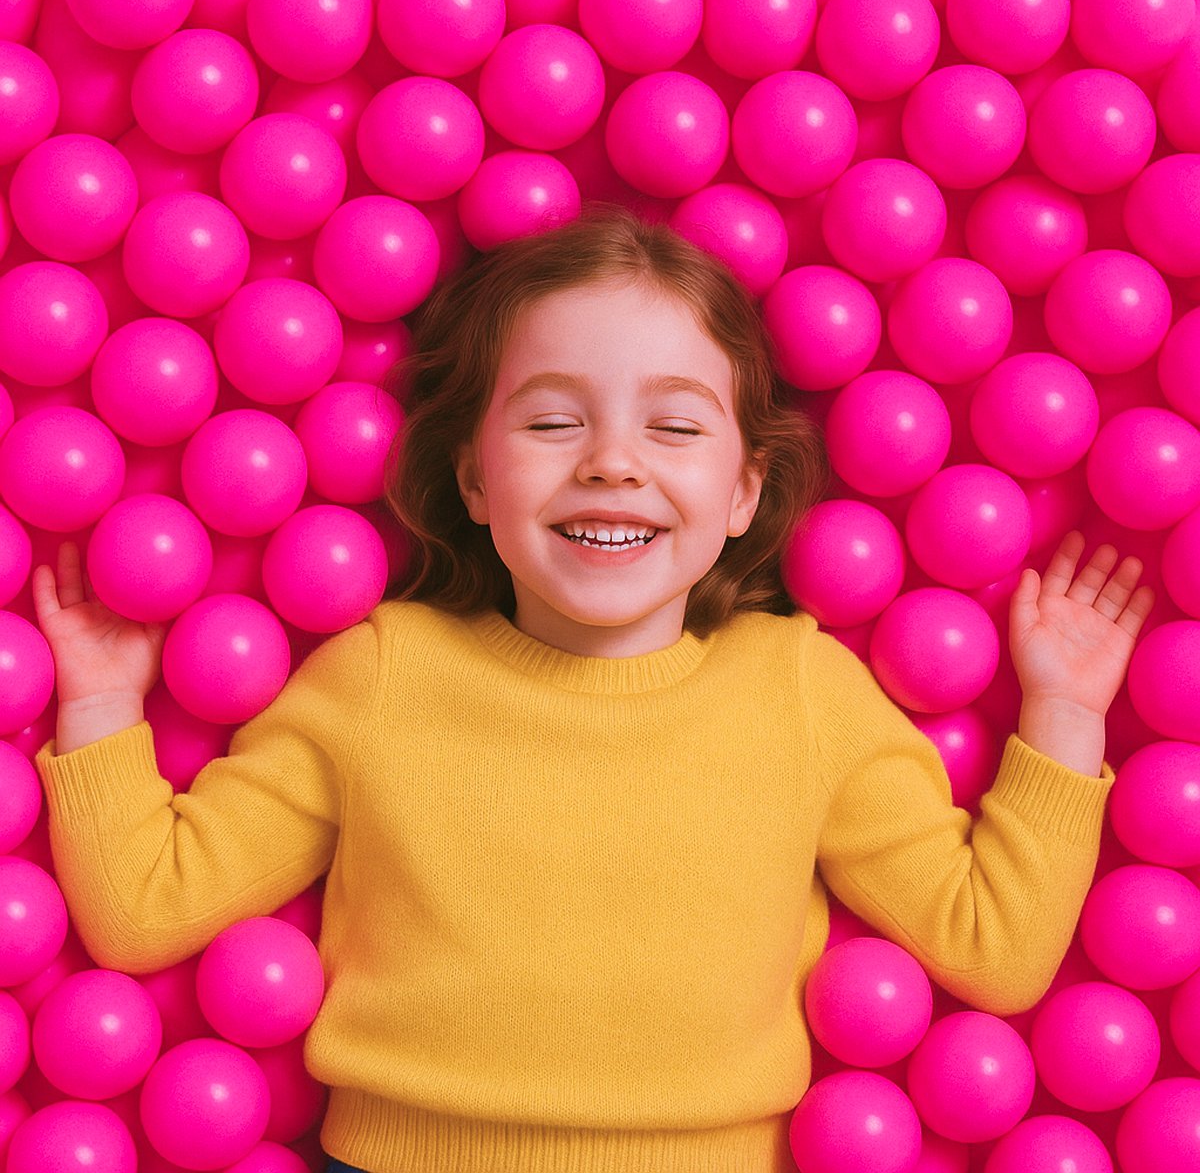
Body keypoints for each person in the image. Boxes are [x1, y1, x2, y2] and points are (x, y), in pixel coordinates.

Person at [31, 206, 1155, 1173]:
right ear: (473, 477)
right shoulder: (384, 675)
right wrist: (99, 702)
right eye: (554, 420)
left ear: (741, 494)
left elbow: (993, 949)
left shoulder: (799, 688)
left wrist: (1061, 709)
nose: (612, 460)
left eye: (673, 426)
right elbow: (144, 913)